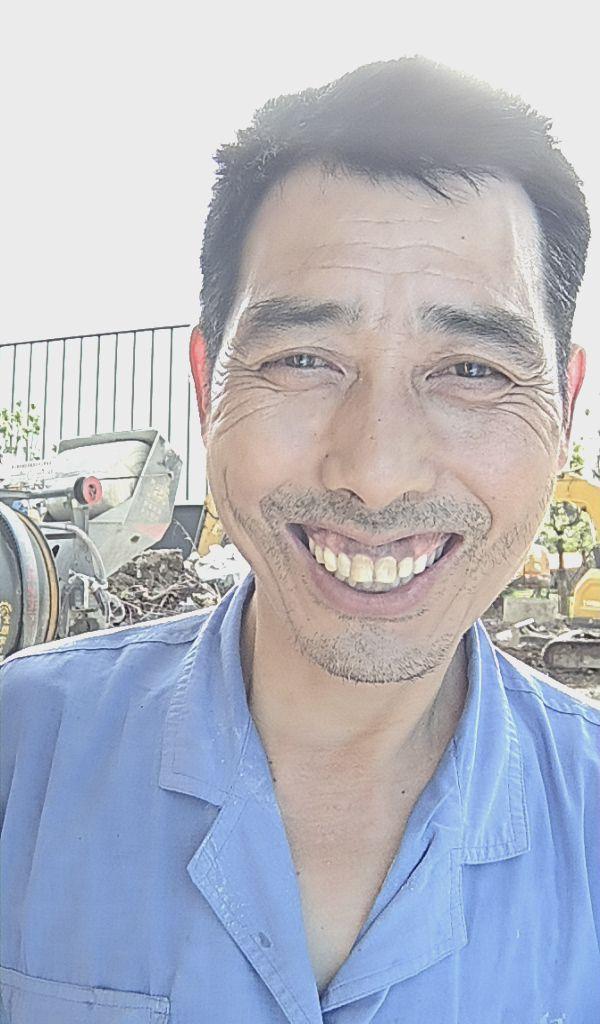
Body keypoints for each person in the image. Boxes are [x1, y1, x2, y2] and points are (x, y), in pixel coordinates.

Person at [1, 57, 598, 1024]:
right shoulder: (20, 752)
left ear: (564, 406)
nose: (378, 471)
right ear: (207, 386)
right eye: (305, 359)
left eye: (471, 370)